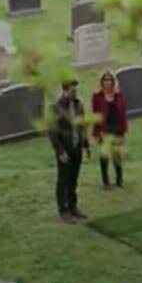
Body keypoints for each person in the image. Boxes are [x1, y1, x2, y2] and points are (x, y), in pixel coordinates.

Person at [49, 79, 90, 223]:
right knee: (63, 180)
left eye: (76, 90)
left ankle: (73, 206)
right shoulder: (56, 108)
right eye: (72, 91)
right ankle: (63, 210)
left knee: (73, 179)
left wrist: (85, 143)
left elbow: (82, 126)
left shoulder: (78, 105)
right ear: (65, 91)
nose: (75, 93)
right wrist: (60, 151)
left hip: (76, 147)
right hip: (65, 149)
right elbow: (53, 132)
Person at [91, 71, 128, 189]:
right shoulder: (97, 96)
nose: (107, 82)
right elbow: (95, 114)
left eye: (109, 80)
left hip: (116, 128)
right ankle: (105, 181)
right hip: (104, 128)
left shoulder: (118, 95)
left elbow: (123, 114)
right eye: (105, 80)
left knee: (117, 155)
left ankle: (119, 180)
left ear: (113, 81)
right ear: (101, 82)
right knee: (104, 156)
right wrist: (97, 132)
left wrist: (124, 131)